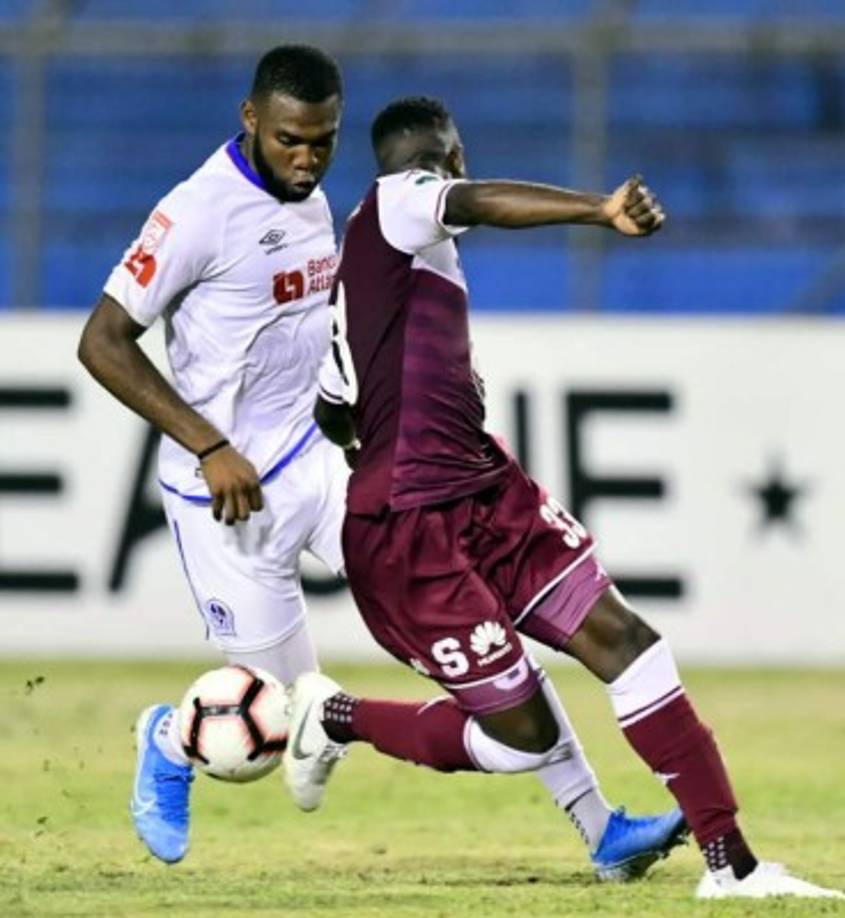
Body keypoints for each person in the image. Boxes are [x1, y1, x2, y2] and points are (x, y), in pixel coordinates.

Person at [78, 53, 684, 879]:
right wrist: (209, 445)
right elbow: (101, 343)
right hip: (225, 493)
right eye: (291, 139)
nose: (308, 158)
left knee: (483, 640)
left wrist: (357, 422)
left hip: (325, 464)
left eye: (323, 142)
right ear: (249, 117)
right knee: (276, 715)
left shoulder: (317, 200)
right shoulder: (194, 215)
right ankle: (169, 739)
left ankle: (602, 831)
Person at [287, 95, 845, 901]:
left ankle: (733, 866)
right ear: (444, 155)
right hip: (410, 530)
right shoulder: (397, 201)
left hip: (484, 492)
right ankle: (334, 716)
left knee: (629, 644)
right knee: (521, 739)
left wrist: (423, 405)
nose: (459, 175)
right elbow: (472, 201)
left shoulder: (383, 273)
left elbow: (333, 406)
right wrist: (599, 208)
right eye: (457, 160)